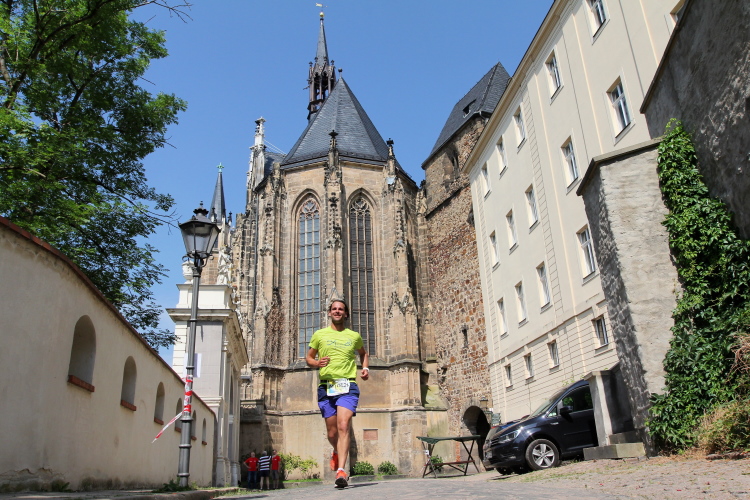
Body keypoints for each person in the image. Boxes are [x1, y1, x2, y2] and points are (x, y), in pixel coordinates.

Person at [305, 299, 369, 488]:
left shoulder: (354, 336)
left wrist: (365, 368)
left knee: (343, 426)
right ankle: (336, 451)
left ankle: (341, 471)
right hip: (326, 386)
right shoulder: (319, 335)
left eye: (341, 309)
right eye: (334, 309)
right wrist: (317, 363)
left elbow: (363, 353)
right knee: (332, 432)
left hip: (348, 386)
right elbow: (309, 358)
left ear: (346, 313)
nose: (337, 311)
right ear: (329, 312)